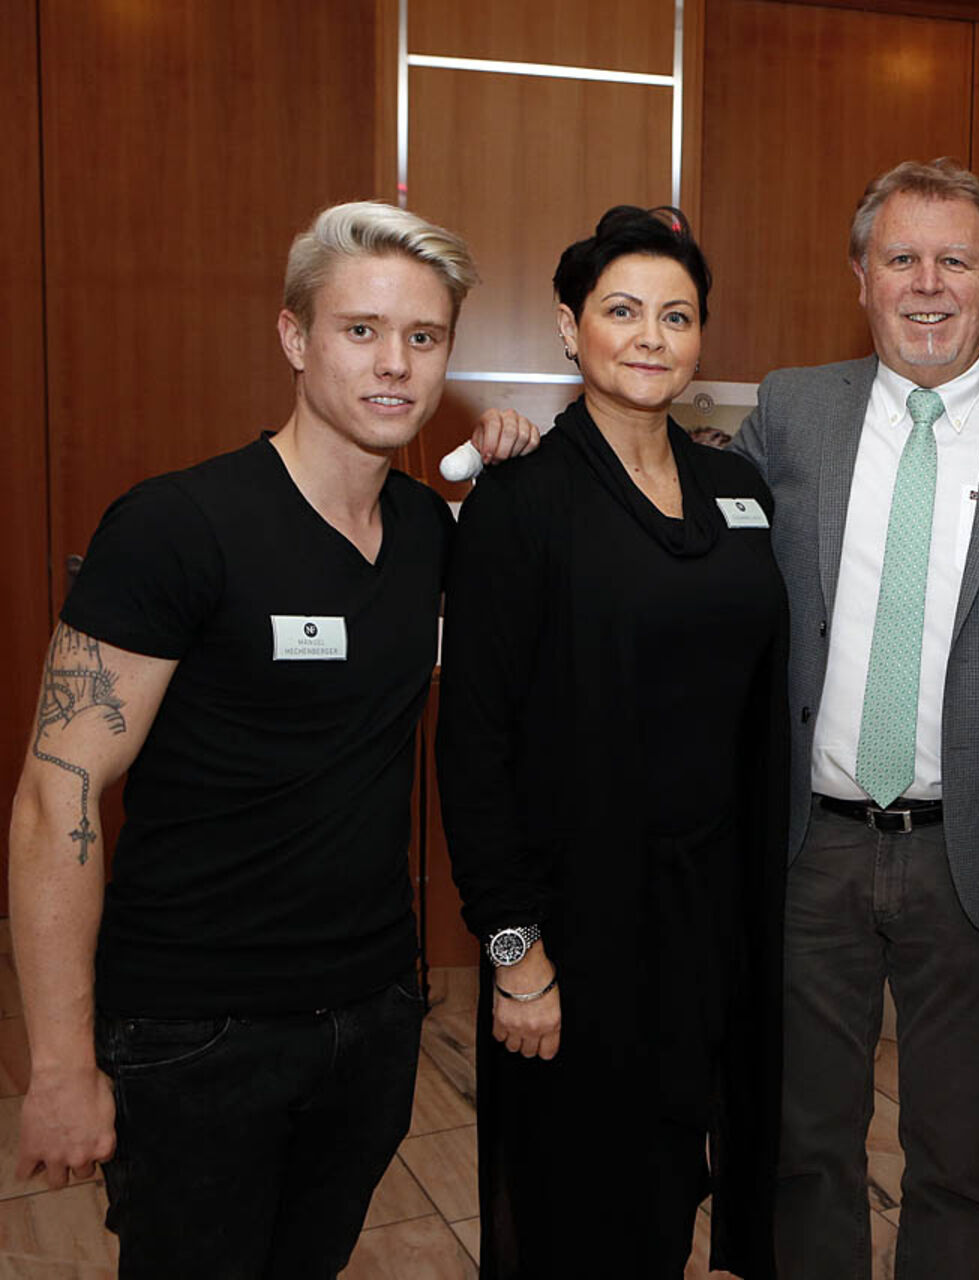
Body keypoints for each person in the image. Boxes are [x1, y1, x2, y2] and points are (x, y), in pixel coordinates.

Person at [6, 201, 539, 1276]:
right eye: (360, 330)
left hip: (372, 1012)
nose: (394, 364)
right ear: (295, 337)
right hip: (194, 1029)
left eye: (423, 336)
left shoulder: (428, 533)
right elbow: (55, 796)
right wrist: (59, 1065)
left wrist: (518, 456)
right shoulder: (175, 526)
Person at [730, 158, 979, 1278]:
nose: (928, 284)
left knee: (958, 1154)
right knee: (807, 1148)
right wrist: (533, 445)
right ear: (861, 278)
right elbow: (676, 514)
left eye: (956, 261)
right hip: (815, 848)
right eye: (902, 258)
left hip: (971, 855)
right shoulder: (792, 412)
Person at [435, 205, 787, 1277]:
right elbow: (474, 743)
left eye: (676, 316)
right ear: (568, 326)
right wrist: (514, 953)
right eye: (622, 310)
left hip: (714, 915)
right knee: (578, 1205)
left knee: (679, 1182)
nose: (650, 336)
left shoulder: (737, 489)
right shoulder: (523, 497)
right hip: (577, 927)